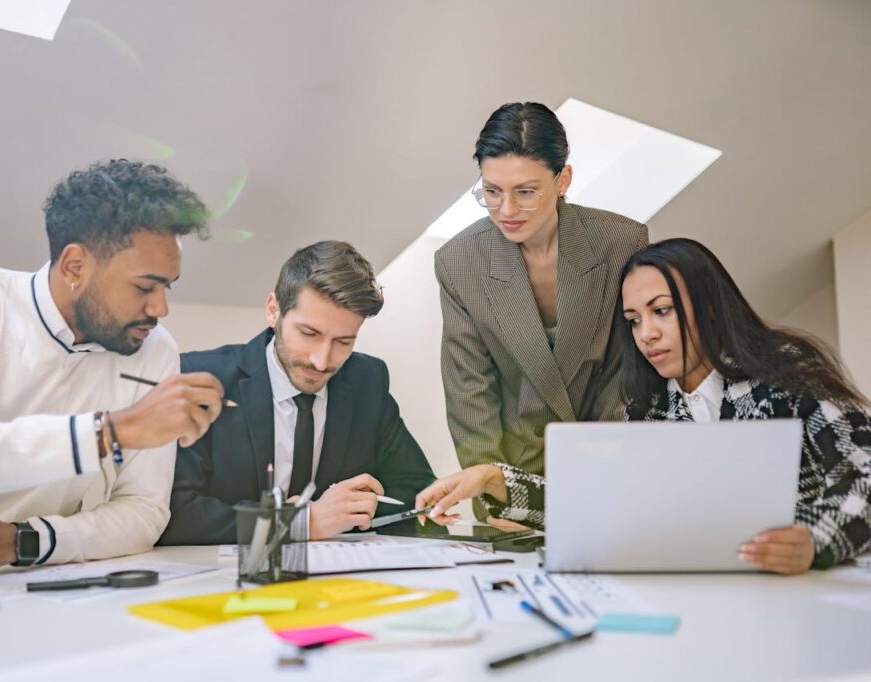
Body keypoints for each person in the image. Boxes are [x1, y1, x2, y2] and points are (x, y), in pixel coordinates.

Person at [419, 238, 871, 575]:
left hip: (812, 592)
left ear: (710, 309)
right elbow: (606, 506)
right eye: (633, 320)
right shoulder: (650, 407)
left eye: (662, 311)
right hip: (712, 595)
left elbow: (866, 477)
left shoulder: (787, 377)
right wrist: (495, 480)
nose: (646, 334)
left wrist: (814, 541)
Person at [0, 159, 226, 574]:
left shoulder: (155, 350)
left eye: (166, 287)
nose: (160, 307)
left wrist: (22, 540)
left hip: (41, 585)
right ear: (75, 265)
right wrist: (112, 432)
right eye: (144, 287)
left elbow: (144, 511)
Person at [435, 101, 648, 520]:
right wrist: (494, 490)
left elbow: (624, 374)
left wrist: (600, 470)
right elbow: (469, 389)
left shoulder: (621, 241)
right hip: (509, 477)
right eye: (491, 192)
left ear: (563, 179)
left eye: (526, 192)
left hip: (604, 468)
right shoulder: (458, 261)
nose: (507, 211)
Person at [157, 241, 435, 544]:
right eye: (309, 334)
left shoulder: (367, 380)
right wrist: (298, 524)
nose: (322, 360)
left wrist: (353, 509)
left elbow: (417, 489)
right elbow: (174, 512)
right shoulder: (200, 378)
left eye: (343, 341)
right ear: (273, 310)